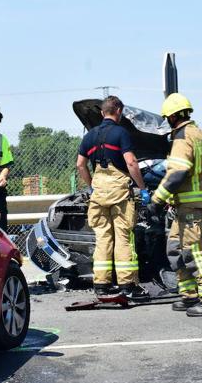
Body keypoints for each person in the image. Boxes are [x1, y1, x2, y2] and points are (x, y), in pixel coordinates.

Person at [148, 93, 202, 317]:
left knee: (195, 252)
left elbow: (177, 173)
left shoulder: (182, 137)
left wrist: (156, 200)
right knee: (175, 249)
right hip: (189, 206)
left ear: (172, 117)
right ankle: (189, 294)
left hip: (190, 207)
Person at [76, 95, 151, 299]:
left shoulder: (89, 136)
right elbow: (132, 163)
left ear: (102, 112)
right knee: (123, 238)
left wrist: (92, 186)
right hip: (119, 193)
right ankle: (127, 285)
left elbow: (80, 165)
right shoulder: (121, 133)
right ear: (118, 111)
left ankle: (101, 284)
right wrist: (142, 188)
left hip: (99, 193)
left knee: (103, 239)